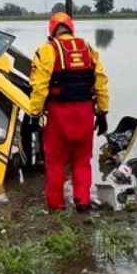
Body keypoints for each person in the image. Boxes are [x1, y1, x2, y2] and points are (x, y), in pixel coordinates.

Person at [28, 11, 110, 212]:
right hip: (85, 113)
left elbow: (39, 87)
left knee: (55, 163)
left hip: (58, 114)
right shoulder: (88, 49)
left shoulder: (47, 50)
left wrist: (34, 114)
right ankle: (82, 202)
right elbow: (100, 81)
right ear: (71, 28)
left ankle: (56, 206)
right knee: (82, 160)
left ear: (52, 30)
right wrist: (103, 112)